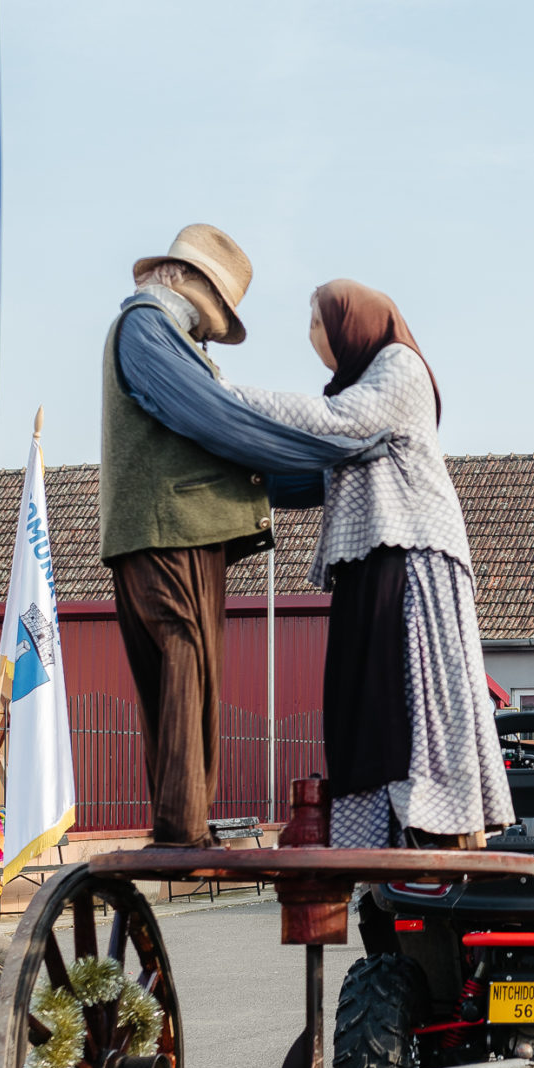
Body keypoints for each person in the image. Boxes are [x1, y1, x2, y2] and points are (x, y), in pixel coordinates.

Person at [102, 226, 389, 846]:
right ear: (186, 282)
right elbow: (215, 419)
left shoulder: (164, 334)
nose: (209, 330)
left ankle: (185, 825)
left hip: (179, 530)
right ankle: (182, 832)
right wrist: (334, 451)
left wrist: (327, 473)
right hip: (168, 531)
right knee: (185, 665)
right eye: (210, 315)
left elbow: (232, 463)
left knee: (190, 675)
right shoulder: (149, 325)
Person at [226, 280, 512, 849]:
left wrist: (223, 397)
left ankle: (434, 816)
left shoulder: (398, 367)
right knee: (362, 699)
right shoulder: (359, 385)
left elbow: (334, 421)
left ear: (352, 324)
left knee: (406, 694)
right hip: (368, 556)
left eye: (319, 323)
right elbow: (308, 465)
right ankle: (372, 828)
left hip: (410, 551)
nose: (312, 336)